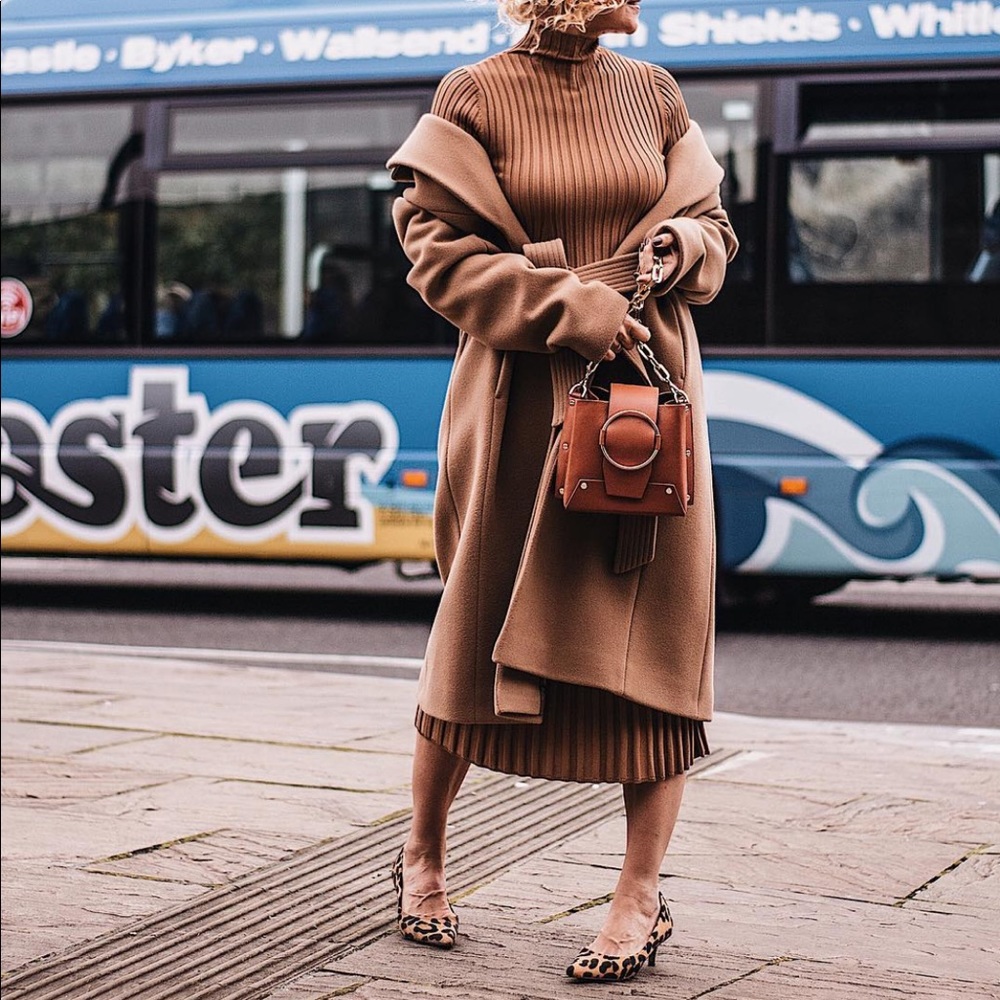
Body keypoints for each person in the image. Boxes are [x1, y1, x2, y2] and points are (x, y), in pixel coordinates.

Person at [386, 0, 737, 983]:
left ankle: (636, 897)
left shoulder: (653, 92)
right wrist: (562, 304)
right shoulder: (475, 92)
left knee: (660, 644)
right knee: (474, 634)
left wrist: (680, 253)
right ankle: (421, 856)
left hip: (645, 391)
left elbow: (711, 226)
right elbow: (434, 248)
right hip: (515, 399)